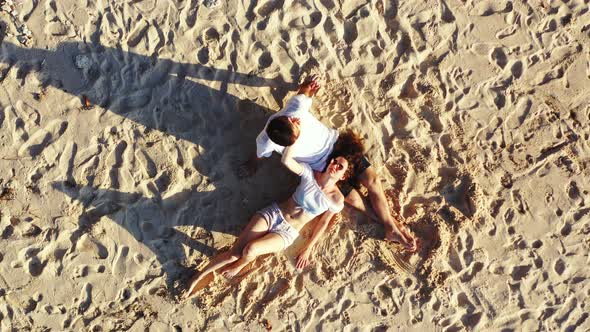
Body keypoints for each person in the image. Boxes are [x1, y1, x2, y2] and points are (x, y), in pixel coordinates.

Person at [239, 75, 418, 252]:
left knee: (373, 182)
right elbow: (260, 154)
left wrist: (310, 85)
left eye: (294, 121)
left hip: (339, 146)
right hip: (323, 168)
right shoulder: (265, 141)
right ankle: (392, 226)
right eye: (296, 128)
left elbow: (304, 90)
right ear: (288, 144)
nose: (296, 122)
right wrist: (253, 164)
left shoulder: (296, 109)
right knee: (355, 200)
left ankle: (391, 226)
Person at [184, 135, 361, 299]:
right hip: (273, 214)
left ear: (344, 175)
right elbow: (286, 160)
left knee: (250, 250)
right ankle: (197, 278)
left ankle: (242, 264)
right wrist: (294, 137)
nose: (334, 165)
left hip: (287, 232)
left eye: (340, 166)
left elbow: (323, 224)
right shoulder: (310, 174)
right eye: (334, 161)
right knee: (234, 253)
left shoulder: (336, 200)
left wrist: (308, 248)